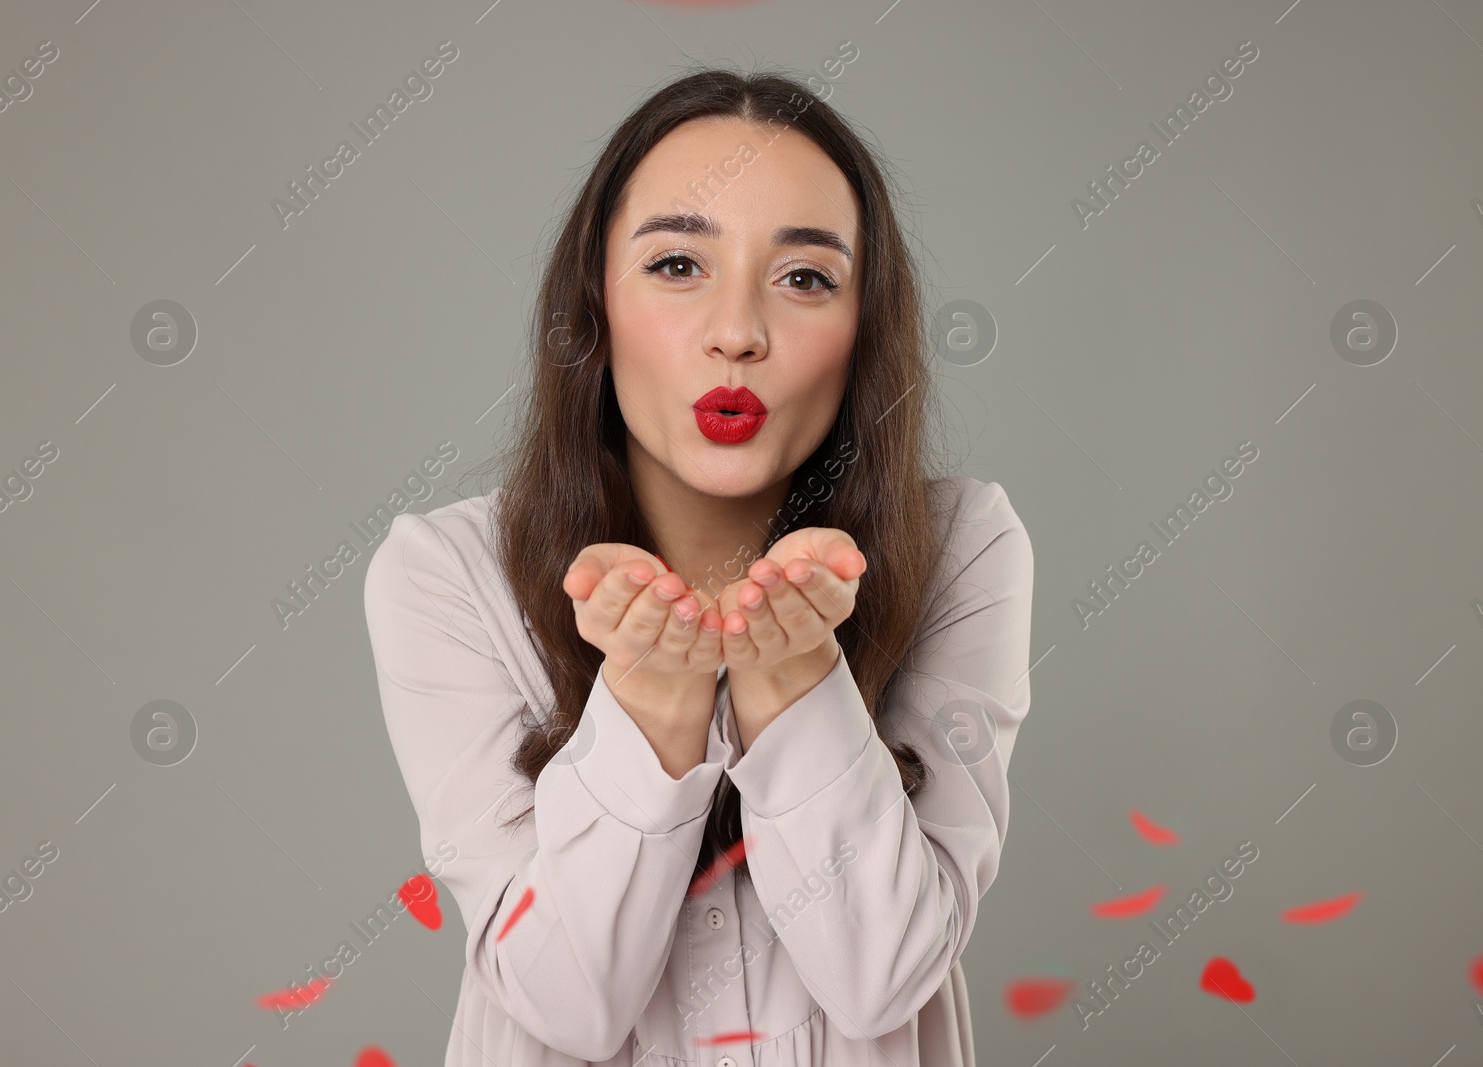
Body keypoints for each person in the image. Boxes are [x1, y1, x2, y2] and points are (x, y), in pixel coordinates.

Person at [364, 66, 1034, 1067]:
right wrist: (652, 699)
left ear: (863, 329)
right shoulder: (445, 573)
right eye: (678, 263)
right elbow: (566, 1002)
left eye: (804, 277)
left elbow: (885, 970)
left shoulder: (963, 544)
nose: (737, 332)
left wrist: (795, 676)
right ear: (596, 299)